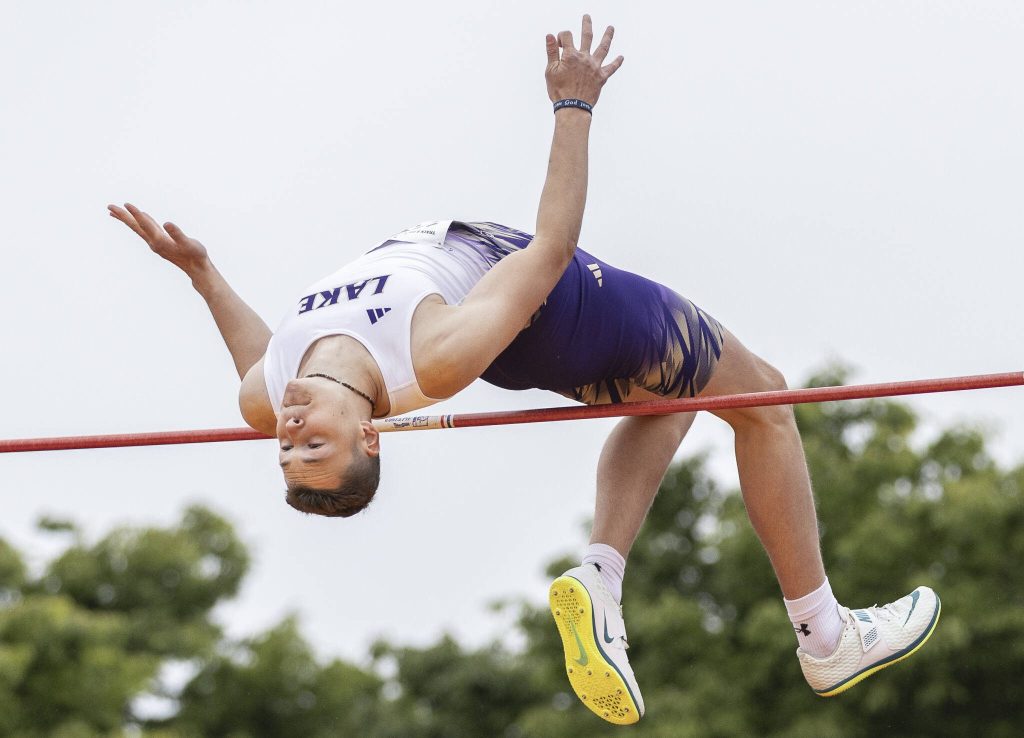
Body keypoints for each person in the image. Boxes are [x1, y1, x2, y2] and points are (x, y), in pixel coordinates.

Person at [109, 16, 940, 726]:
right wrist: (572, 107)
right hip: (556, 302)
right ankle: (825, 636)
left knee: (671, 402)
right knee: (763, 397)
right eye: (315, 449)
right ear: (371, 435)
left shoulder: (265, 392)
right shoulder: (432, 353)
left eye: (289, 453)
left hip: (515, 319)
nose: (289, 437)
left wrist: (203, 276)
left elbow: (258, 353)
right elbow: (549, 252)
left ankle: (602, 582)